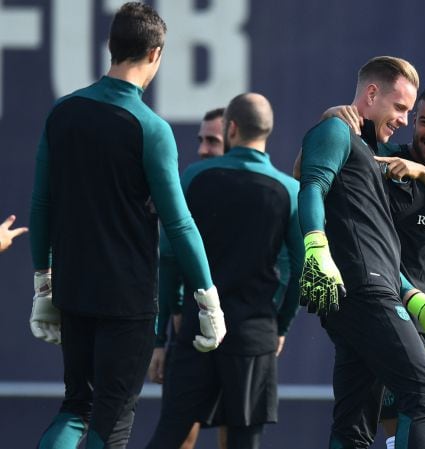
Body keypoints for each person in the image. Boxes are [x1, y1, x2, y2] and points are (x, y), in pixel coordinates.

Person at [28, 3, 226, 448]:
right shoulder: (150, 128)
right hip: (127, 298)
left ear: (110, 47)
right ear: (156, 54)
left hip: (74, 289)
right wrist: (208, 299)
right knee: (112, 419)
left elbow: (41, 204)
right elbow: (178, 223)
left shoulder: (63, 113)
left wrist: (44, 283)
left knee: (75, 406)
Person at [298, 56, 425, 449]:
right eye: (400, 107)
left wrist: (415, 300)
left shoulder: (368, 149)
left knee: (354, 423)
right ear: (371, 93)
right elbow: (310, 184)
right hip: (366, 291)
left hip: (368, 291)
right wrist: (315, 245)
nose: (404, 119)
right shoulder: (335, 130)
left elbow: (376, 238)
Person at [326, 83, 425, 449]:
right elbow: (308, 169)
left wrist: (421, 173)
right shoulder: (380, 157)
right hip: (379, 312)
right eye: (424, 122)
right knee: (397, 422)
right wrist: (332, 120)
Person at [145, 92, 303, 449]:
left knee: (170, 435)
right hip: (255, 334)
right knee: (243, 441)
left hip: (197, 328)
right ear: (268, 130)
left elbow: (168, 256)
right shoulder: (290, 191)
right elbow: (299, 269)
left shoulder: (196, 177)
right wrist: (280, 325)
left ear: (231, 128)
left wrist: (172, 315)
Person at [146, 106, 226, 449]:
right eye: (201, 140)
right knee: (180, 433)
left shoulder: (268, 191)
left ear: (236, 138)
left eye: (213, 140)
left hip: (241, 334)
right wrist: (162, 339)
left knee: (237, 431)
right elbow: (168, 260)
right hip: (191, 329)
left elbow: (284, 264)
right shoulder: (190, 182)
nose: (203, 148)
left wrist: (275, 328)